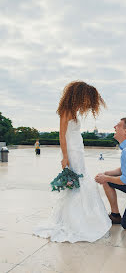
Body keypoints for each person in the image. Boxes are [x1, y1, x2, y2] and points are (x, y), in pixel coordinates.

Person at [33, 81, 112, 243]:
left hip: (78, 150)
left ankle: (79, 218)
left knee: (78, 183)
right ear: (78, 96)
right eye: (85, 98)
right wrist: (65, 156)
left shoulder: (73, 111)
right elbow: (62, 135)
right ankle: (76, 220)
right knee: (77, 183)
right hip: (72, 152)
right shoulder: (66, 111)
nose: (87, 103)